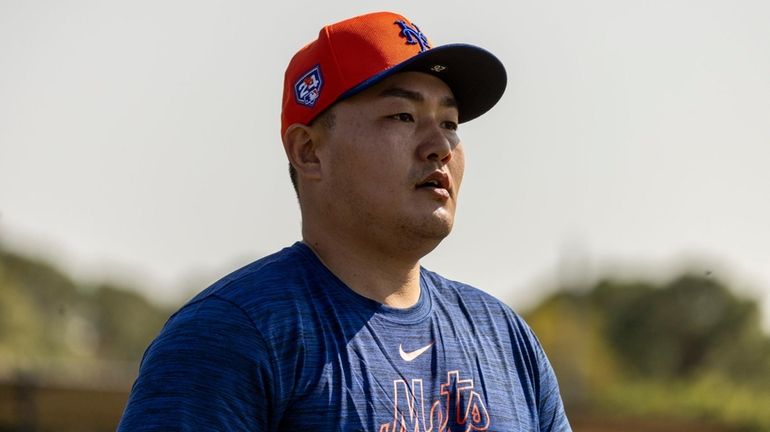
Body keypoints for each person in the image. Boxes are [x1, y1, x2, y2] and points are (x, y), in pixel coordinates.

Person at [118, 11, 571, 431]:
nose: (440, 146)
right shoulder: (230, 337)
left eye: (450, 122)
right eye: (403, 115)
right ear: (309, 151)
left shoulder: (505, 340)